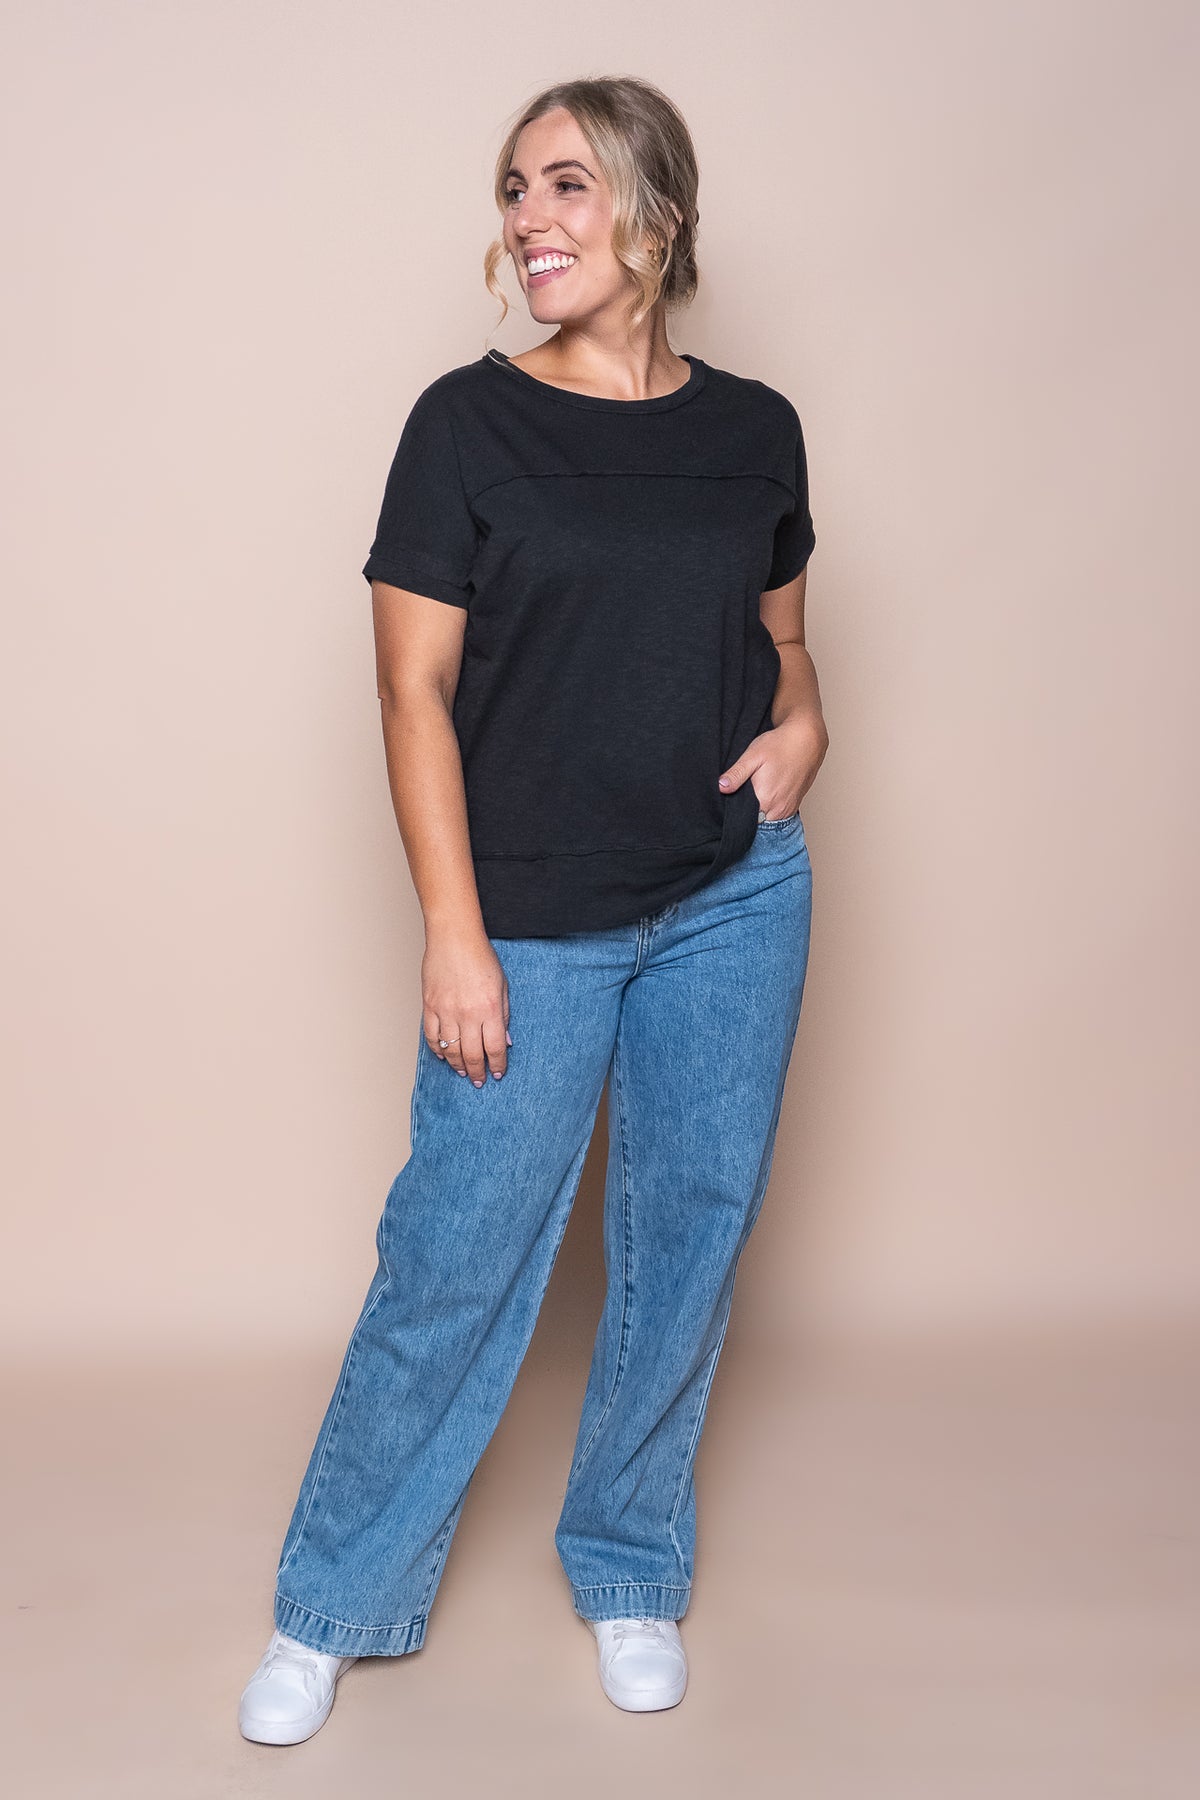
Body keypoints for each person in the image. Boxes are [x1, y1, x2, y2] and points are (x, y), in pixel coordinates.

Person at [238, 73, 827, 1745]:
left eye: (567, 184)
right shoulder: (465, 425)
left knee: (687, 1240)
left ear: (657, 211)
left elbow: (785, 641)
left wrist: (809, 724)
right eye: (514, 189)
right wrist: (453, 931)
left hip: (733, 896)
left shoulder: (757, 428)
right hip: (529, 915)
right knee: (457, 1254)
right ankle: (331, 1606)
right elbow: (411, 694)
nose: (529, 220)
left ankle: (630, 1564)